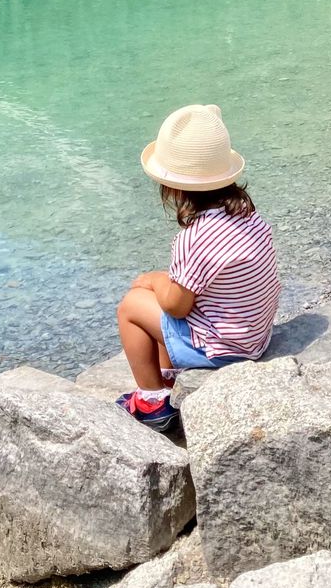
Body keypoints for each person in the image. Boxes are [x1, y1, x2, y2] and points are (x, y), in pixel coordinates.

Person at [116, 104, 281, 430]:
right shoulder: (249, 216)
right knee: (163, 297)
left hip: (224, 350)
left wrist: (156, 280)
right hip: (254, 338)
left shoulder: (194, 239)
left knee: (132, 305)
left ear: (173, 188)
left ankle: (151, 402)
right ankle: (169, 378)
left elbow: (176, 307)